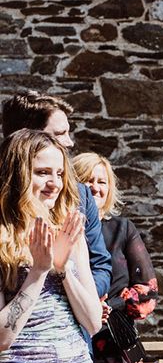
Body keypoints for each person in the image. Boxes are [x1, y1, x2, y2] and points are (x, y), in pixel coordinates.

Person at [0, 129, 102, 363]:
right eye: (43, 172)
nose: (54, 183)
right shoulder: (3, 238)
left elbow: (93, 322)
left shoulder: (69, 233)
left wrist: (61, 268)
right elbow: (1, 339)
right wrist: (38, 271)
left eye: (59, 173)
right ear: (16, 175)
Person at [73, 152, 159, 363]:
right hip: (73, 342)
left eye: (102, 181)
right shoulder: (64, 230)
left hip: (115, 347)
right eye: (87, 179)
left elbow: (149, 292)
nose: (95, 187)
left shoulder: (122, 229)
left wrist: (114, 303)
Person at [2, 91, 112, 300]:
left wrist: (83, 299)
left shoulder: (80, 194)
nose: (69, 142)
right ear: (28, 138)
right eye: (60, 133)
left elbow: (101, 266)